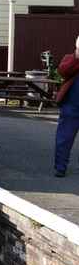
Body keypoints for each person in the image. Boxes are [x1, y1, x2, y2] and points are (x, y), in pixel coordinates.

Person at [53, 37, 79, 177]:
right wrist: (76, 57)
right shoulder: (70, 58)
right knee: (64, 138)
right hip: (71, 105)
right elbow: (62, 71)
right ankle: (60, 166)